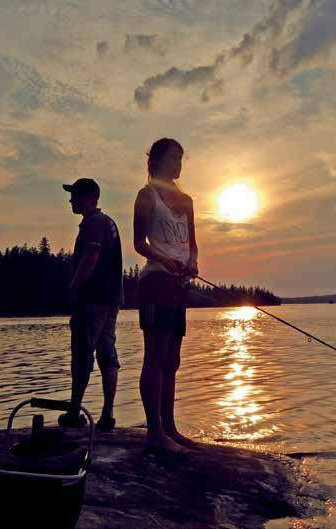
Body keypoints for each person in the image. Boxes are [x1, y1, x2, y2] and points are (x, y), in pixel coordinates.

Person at [133, 138, 198, 453]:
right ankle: (154, 433)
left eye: (181, 158)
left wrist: (192, 262)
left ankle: (170, 428)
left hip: (178, 285)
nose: (179, 163)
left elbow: (193, 243)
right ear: (157, 160)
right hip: (155, 282)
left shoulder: (186, 200)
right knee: (155, 358)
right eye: (174, 157)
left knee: (172, 360)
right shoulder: (146, 196)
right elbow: (139, 243)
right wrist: (164, 259)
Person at [59, 178, 123, 431]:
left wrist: (74, 287)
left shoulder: (93, 223)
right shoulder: (109, 222)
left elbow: (91, 255)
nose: (71, 200)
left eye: (74, 195)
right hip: (111, 299)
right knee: (107, 353)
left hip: (93, 300)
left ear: (88, 197)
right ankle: (107, 414)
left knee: (82, 354)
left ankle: (74, 412)